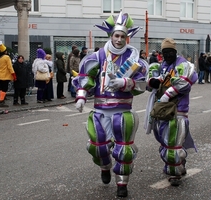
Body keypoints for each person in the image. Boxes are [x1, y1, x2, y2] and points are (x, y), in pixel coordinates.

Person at [72, 10, 148, 197]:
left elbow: (142, 84)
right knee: (97, 147)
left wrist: (126, 83)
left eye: (123, 36)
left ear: (127, 38)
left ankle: (122, 183)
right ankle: (105, 165)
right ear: (111, 35)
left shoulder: (134, 59)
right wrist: (81, 95)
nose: (119, 39)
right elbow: (85, 77)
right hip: (100, 109)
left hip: (123, 110)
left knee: (125, 148)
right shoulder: (97, 56)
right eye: (116, 35)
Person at [144, 38, 197, 187]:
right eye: (165, 52)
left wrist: (168, 94)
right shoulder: (161, 66)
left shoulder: (183, 65)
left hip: (178, 109)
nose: (168, 55)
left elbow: (185, 84)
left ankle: (175, 172)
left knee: (173, 145)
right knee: (164, 141)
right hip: (161, 110)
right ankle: (175, 163)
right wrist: (153, 82)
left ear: (175, 51)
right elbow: (149, 84)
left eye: (170, 52)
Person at [0, 42, 17, 107]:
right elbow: (10, 67)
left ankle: (1, 99)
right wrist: (13, 74)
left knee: (2, 87)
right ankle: (1, 101)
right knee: (4, 88)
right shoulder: (6, 57)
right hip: (5, 74)